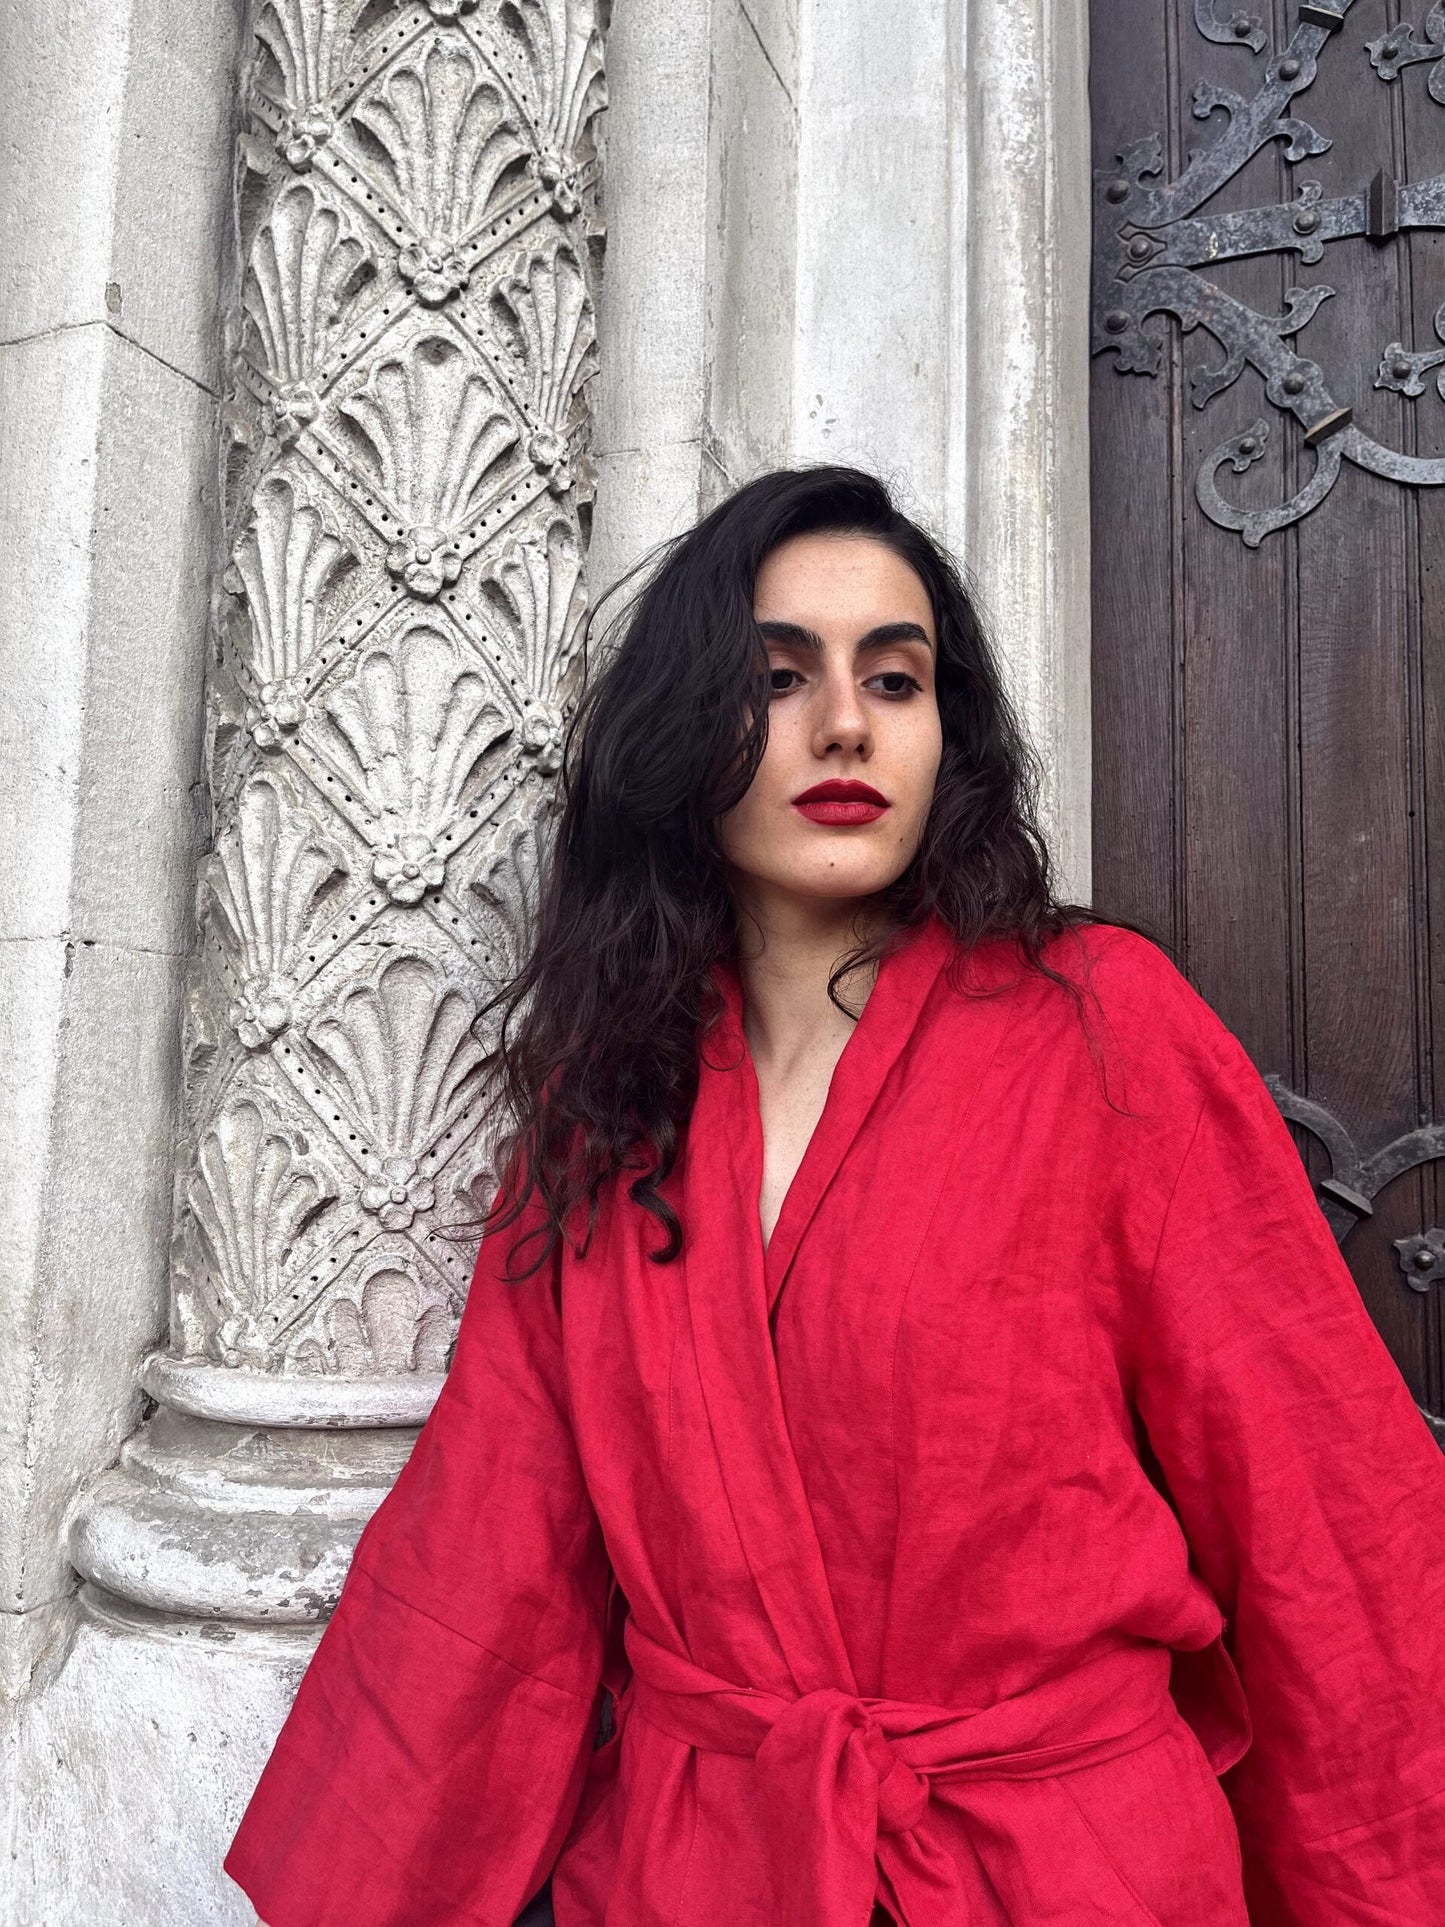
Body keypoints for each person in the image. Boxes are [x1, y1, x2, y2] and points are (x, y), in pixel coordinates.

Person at [226, 467, 1445, 1927]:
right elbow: (498, 1535)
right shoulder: (611, 1099)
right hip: (707, 1873)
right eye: (777, 676)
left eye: (896, 677)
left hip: (1063, 1870)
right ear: (687, 730)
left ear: (948, 734)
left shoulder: (1098, 1027)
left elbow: (1318, 1510)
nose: (847, 724)